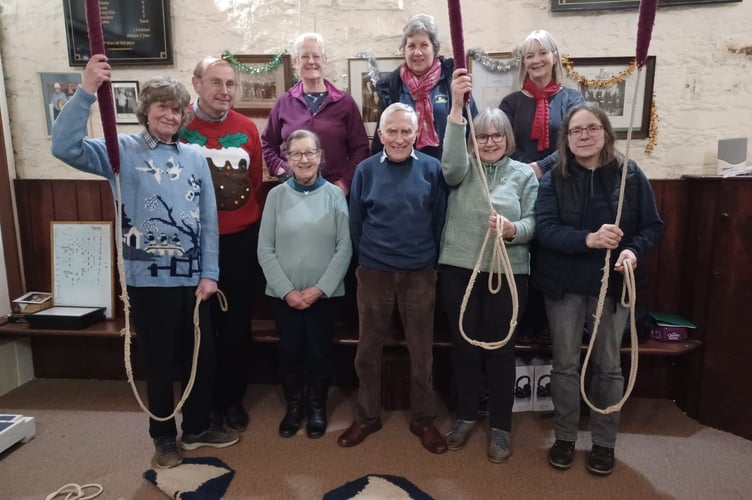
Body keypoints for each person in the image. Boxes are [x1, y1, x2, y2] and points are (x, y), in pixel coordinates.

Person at [51, 55, 239, 469]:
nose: (170, 115)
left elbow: (208, 220)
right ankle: (163, 436)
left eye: (176, 108)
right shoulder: (120, 153)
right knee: (158, 361)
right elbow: (63, 146)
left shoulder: (195, 158)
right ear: (146, 112)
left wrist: (210, 273)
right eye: (162, 108)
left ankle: (197, 428)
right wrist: (85, 91)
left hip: (193, 281)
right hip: (147, 280)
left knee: (201, 356)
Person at [534, 102, 663, 476]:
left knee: (607, 366)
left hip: (614, 285)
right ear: (567, 138)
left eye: (592, 128)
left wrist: (631, 251)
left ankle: (604, 443)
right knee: (565, 365)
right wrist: (588, 239)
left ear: (605, 132)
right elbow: (546, 230)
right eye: (576, 131)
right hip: (564, 286)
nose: (584, 135)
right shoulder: (553, 177)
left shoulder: (630, 175)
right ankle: (565, 437)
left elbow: (652, 227)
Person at [439, 69, 538, 463]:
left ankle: (500, 426)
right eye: (482, 136)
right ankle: (465, 415)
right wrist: (457, 110)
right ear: (473, 140)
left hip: (508, 273)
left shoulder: (523, 175)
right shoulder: (463, 169)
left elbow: (534, 224)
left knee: (501, 350)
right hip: (460, 269)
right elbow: (448, 167)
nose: (490, 141)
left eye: (497, 135)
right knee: (463, 348)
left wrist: (514, 228)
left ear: (507, 138)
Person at [338, 103, 448, 454]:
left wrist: (426, 263)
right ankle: (367, 417)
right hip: (374, 273)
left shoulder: (432, 170)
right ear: (380, 134)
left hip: (419, 274)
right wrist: (369, 260)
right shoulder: (366, 171)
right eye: (392, 131)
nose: (399, 138)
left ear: (416, 134)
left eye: (406, 131)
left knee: (421, 352)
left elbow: (439, 221)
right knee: (368, 351)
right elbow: (355, 222)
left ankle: (423, 420)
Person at [180, 55, 264, 433]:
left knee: (235, 328)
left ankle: (232, 399)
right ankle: (203, 404)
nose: (224, 91)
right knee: (197, 328)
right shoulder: (178, 124)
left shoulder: (247, 128)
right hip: (191, 245)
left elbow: (255, 182)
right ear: (197, 83)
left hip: (238, 241)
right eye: (216, 82)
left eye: (230, 83)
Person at [257, 130, 352, 439]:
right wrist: (287, 291)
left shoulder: (335, 195)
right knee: (290, 353)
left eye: (309, 152)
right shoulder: (276, 196)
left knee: (319, 353)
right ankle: (294, 407)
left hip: (323, 296)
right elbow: (264, 248)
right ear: (287, 158)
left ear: (320, 156)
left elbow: (344, 248)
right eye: (296, 153)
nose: (304, 159)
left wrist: (319, 288)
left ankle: (317, 408)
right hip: (284, 296)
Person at [500, 30, 584, 345]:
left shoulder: (572, 99)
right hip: (520, 188)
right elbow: (504, 142)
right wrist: (525, 170)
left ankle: (550, 325)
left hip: (559, 187)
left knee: (550, 253)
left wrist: (542, 167)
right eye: (529, 55)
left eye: (542, 53)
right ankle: (521, 323)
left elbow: (573, 141)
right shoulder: (511, 102)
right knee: (523, 251)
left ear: (554, 57)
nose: (536, 61)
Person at [262, 32, 370, 196]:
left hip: (334, 191)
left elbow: (360, 148)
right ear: (296, 62)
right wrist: (279, 167)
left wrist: (346, 183)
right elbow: (267, 143)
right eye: (305, 56)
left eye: (316, 56)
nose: (311, 61)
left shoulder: (345, 102)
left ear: (324, 61)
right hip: (292, 190)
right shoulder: (284, 102)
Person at [371, 13, 477, 161]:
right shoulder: (391, 86)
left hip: (449, 172)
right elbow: (381, 137)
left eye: (424, 45)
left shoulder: (452, 80)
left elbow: (473, 130)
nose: (417, 52)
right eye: (411, 46)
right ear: (404, 50)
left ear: (435, 49)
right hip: (406, 174)